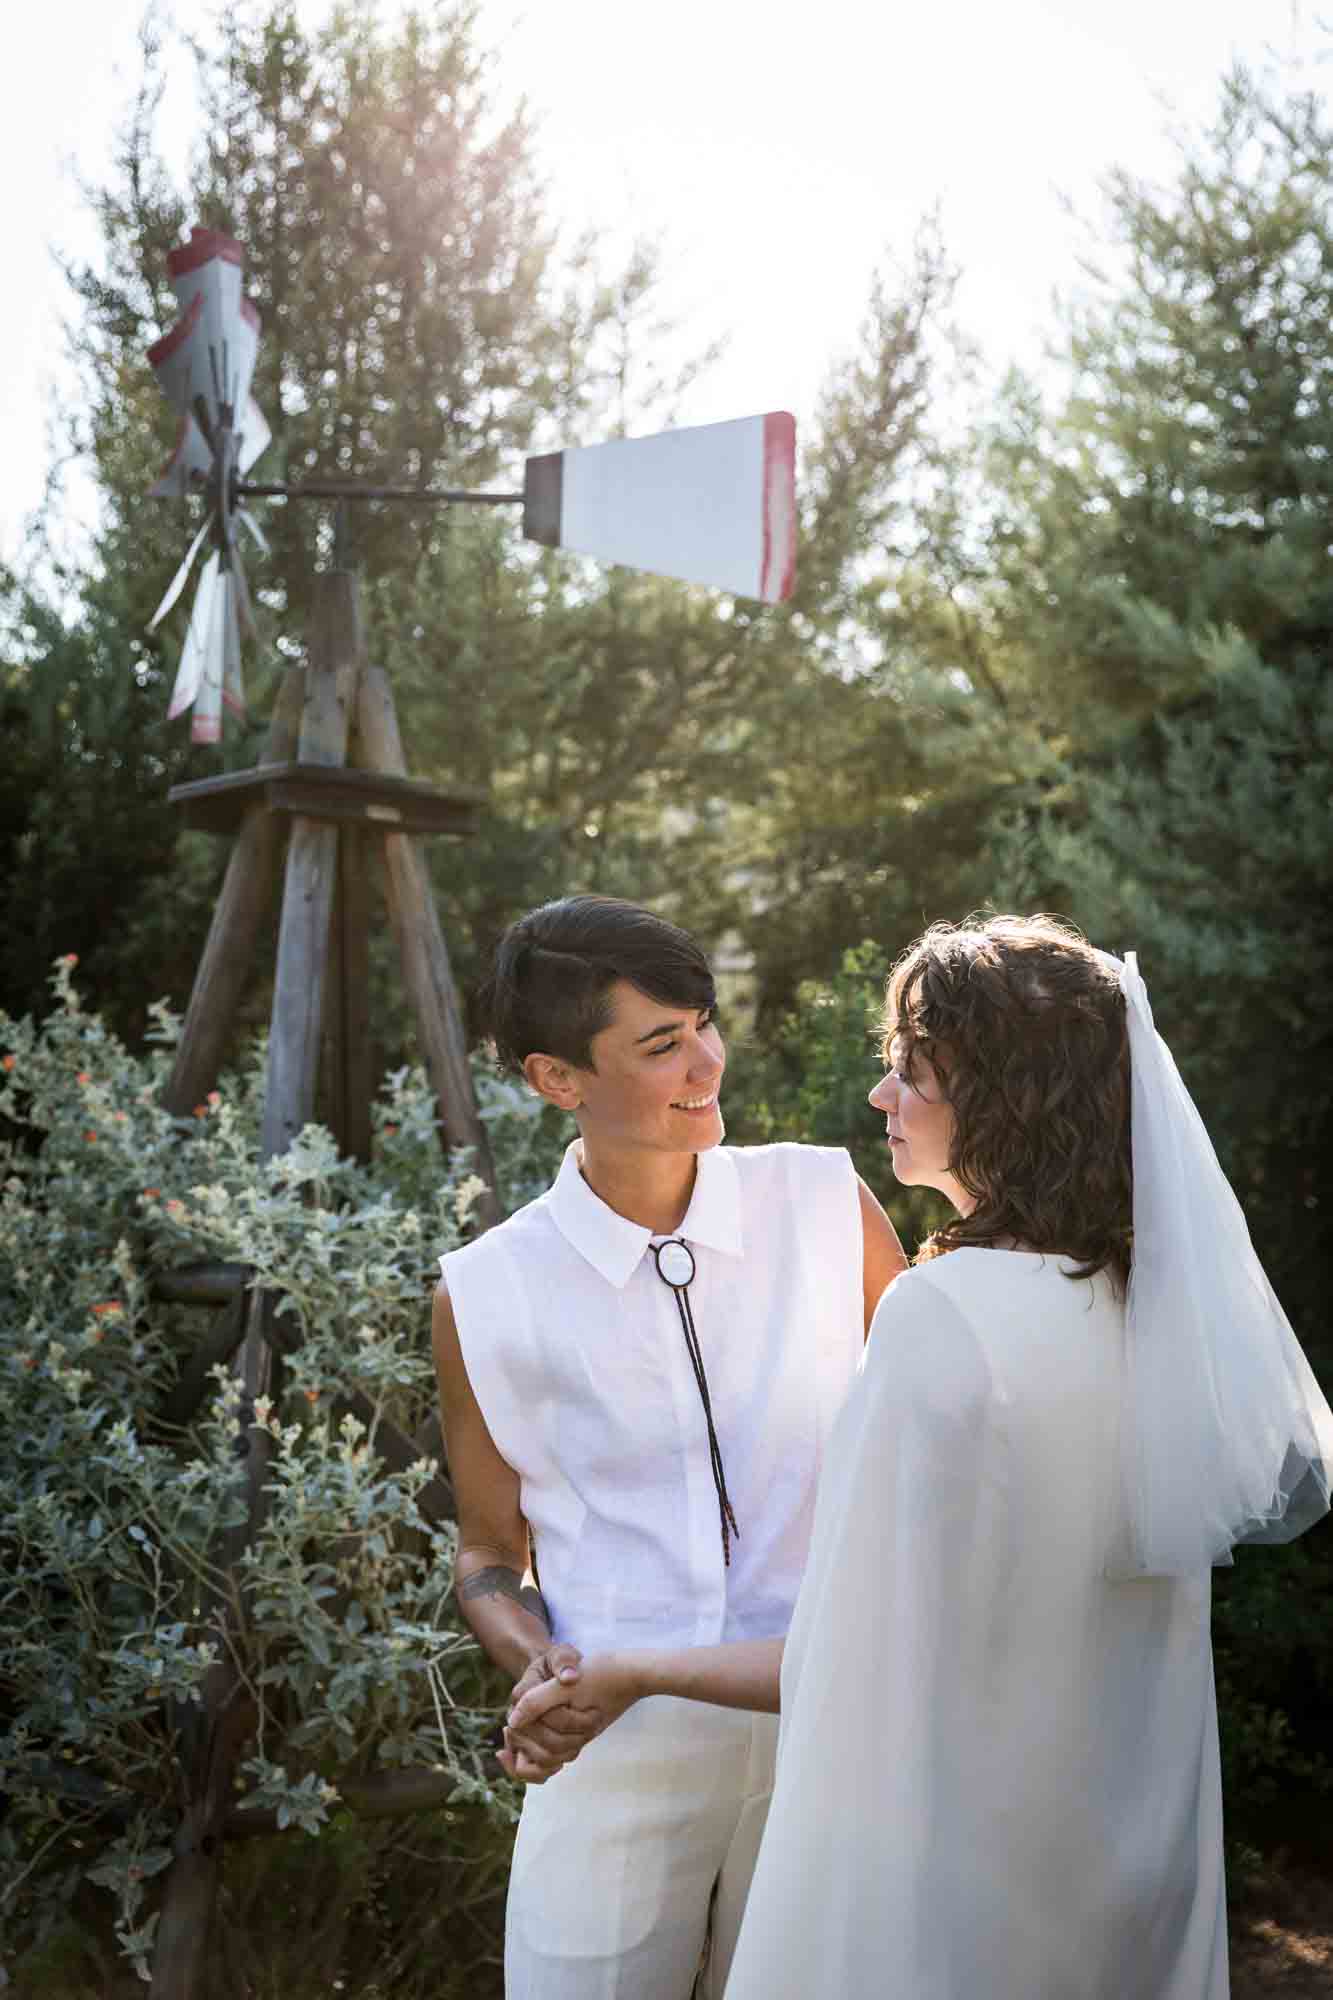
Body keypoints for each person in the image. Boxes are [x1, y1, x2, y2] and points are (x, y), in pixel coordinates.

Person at [506, 913, 1333, 2000]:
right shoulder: (1154, 1312)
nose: (880, 1097)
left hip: (954, 1875)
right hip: (1126, 1862)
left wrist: (633, 1668)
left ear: (1002, 1097)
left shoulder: (940, 1314)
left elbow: (841, 1650)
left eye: (910, 1072)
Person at [432, 894, 906, 1999]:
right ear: (559, 1079)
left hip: (828, 1729)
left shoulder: (826, 1201)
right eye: (661, 1042)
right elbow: (488, 1551)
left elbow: (935, 1443)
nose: (707, 1061)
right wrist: (532, 1658)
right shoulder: (486, 1291)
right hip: (619, 1744)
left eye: (703, 1022)